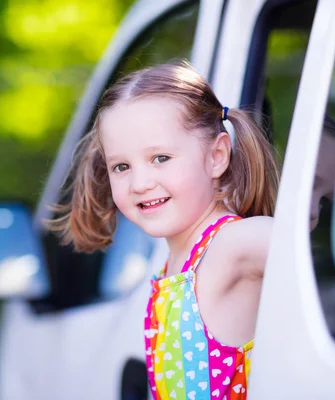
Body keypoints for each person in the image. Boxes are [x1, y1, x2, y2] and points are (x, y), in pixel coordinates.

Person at [49, 61, 279, 399]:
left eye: (160, 158)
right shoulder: (177, 265)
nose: (141, 183)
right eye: (122, 166)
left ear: (216, 157)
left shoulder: (230, 245)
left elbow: (300, 251)